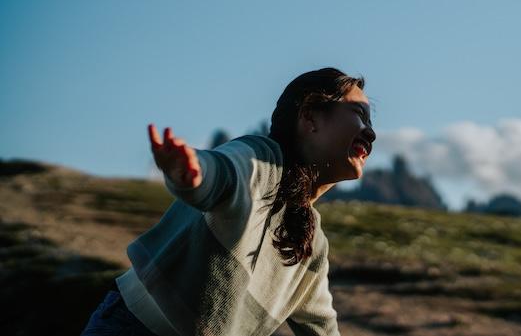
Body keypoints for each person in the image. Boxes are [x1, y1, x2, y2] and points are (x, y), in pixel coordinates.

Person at [81, 67, 376, 336]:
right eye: (359, 114)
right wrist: (194, 174)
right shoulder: (260, 161)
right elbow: (223, 171)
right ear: (310, 115)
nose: (371, 133)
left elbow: (323, 328)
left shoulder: (313, 244)